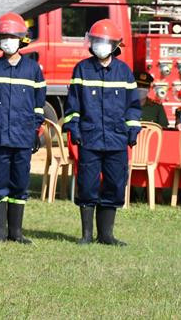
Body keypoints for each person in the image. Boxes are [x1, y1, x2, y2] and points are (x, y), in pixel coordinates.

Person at [63, 19, 141, 246]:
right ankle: (87, 235)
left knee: (115, 184)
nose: (100, 45)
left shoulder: (124, 72)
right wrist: (74, 128)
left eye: (104, 41)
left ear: (115, 45)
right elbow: (73, 105)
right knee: (87, 184)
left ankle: (106, 235)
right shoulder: (82, 69)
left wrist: (132, 130)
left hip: (117, 139)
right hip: (89, 138)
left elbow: (133, 106)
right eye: (96, 40)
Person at [0, 13, 45, 244]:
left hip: (23, 136)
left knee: (20, 183)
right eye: (4, 37)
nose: (7, 41)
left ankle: (16, 232)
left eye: (12, 37)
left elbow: (38, 106)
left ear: (22, 39)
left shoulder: (33, 70)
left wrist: (36, 132)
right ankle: (0, 232)